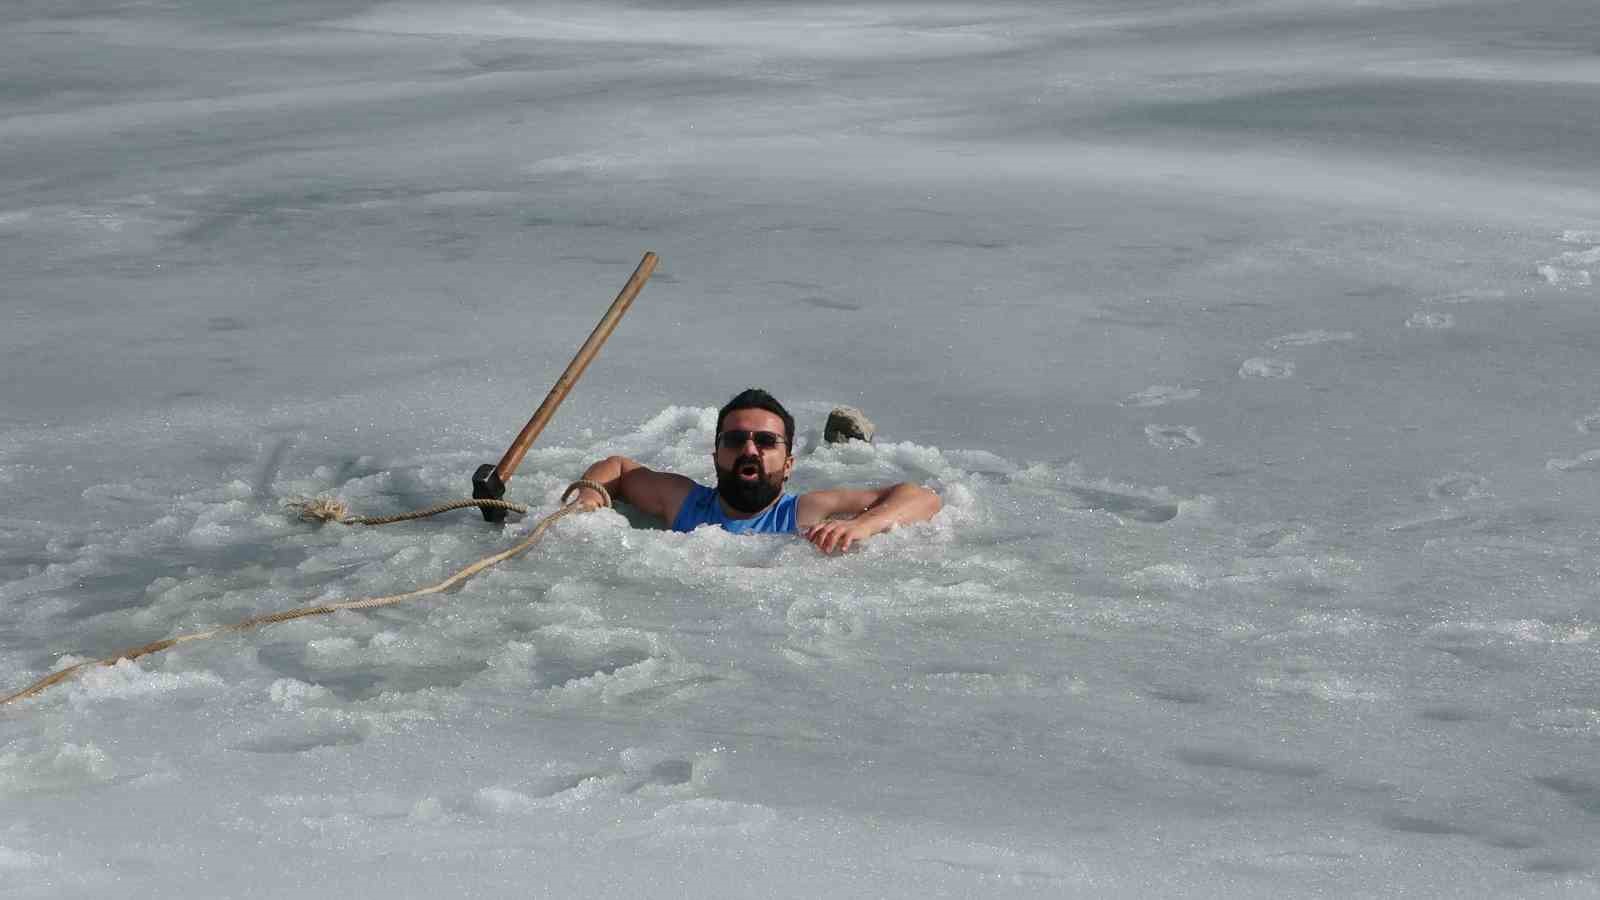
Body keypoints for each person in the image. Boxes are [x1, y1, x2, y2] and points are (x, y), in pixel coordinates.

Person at [565, 389, 941, 554]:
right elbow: (616, 467)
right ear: (716, 456)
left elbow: (923, 498)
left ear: (789, 463)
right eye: (735, 440)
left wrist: (861, 525)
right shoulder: (683, 502)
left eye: (765, 441)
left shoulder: (805, 512)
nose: (749, 449)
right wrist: (589, 498)